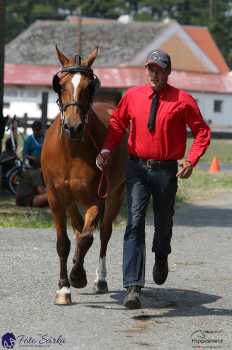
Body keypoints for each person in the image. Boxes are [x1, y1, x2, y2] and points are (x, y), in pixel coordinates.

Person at [96, 49, 210, 309]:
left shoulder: (183, 100)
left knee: (163, 220)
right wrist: (107, 149)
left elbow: (202, 132)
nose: (154, 73)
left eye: (159, 69)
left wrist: (191, 160)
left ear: (168, 72)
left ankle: (161, 254)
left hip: (166, 170)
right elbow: (116, 125)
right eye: (150, 68)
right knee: (134, 221)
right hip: (136, 167)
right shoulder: (132, 96)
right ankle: (133, 287)